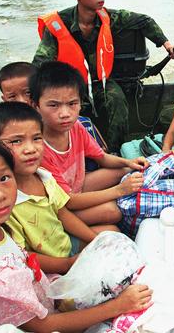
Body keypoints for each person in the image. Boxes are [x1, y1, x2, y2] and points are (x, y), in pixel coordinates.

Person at [0, 135, 152, 331]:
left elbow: (23, 257)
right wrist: (118, 306)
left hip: (46, 296)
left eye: (4, 178)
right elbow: (44, 326)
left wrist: (67, 266)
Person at [33, 0, 174, 152]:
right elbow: (39, 65)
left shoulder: (108, 17)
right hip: (69, 86)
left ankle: (114, 151)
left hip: (101, 83)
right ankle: (70, 153)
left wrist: (167, 46)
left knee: (118, 102)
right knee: (64, 113)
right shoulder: (58, 25)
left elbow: (144, 21)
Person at [0, 102, 122, 273]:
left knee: (112, 233)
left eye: (37, 138)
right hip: (47, 268)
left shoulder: (44, 177)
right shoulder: (3, 201)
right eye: (16, 141)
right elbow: (22, 255)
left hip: (64, 244)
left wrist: (95, 240)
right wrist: (67, 264)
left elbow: (63, 214)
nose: (31, 149)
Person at [29, 62, 147, 225]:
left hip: (78, 184)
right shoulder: (37, 148)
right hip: (60, 207)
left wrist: (129, 162)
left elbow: (102, 158)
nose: (65, 114)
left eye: (72, 104)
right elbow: (68, 201)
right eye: (54, 105)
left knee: (127, 170)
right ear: (36, 106)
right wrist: (119, 191)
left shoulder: (76, 127)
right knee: (113, 212)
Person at [0, 61, 107, 151]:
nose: (22, 101)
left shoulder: (80, 124)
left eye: (28, 93)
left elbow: (102, 154)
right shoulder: (6, 135)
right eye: (12, 96)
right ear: (4, 100)